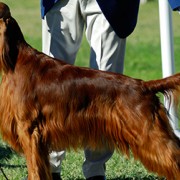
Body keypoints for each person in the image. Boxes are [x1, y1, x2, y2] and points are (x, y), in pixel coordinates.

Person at [40, 0, 140, 180]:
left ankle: (96, 172)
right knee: (51, 87)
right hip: (58, 2)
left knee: (106, 89)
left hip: (110, 4)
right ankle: (49, 168)